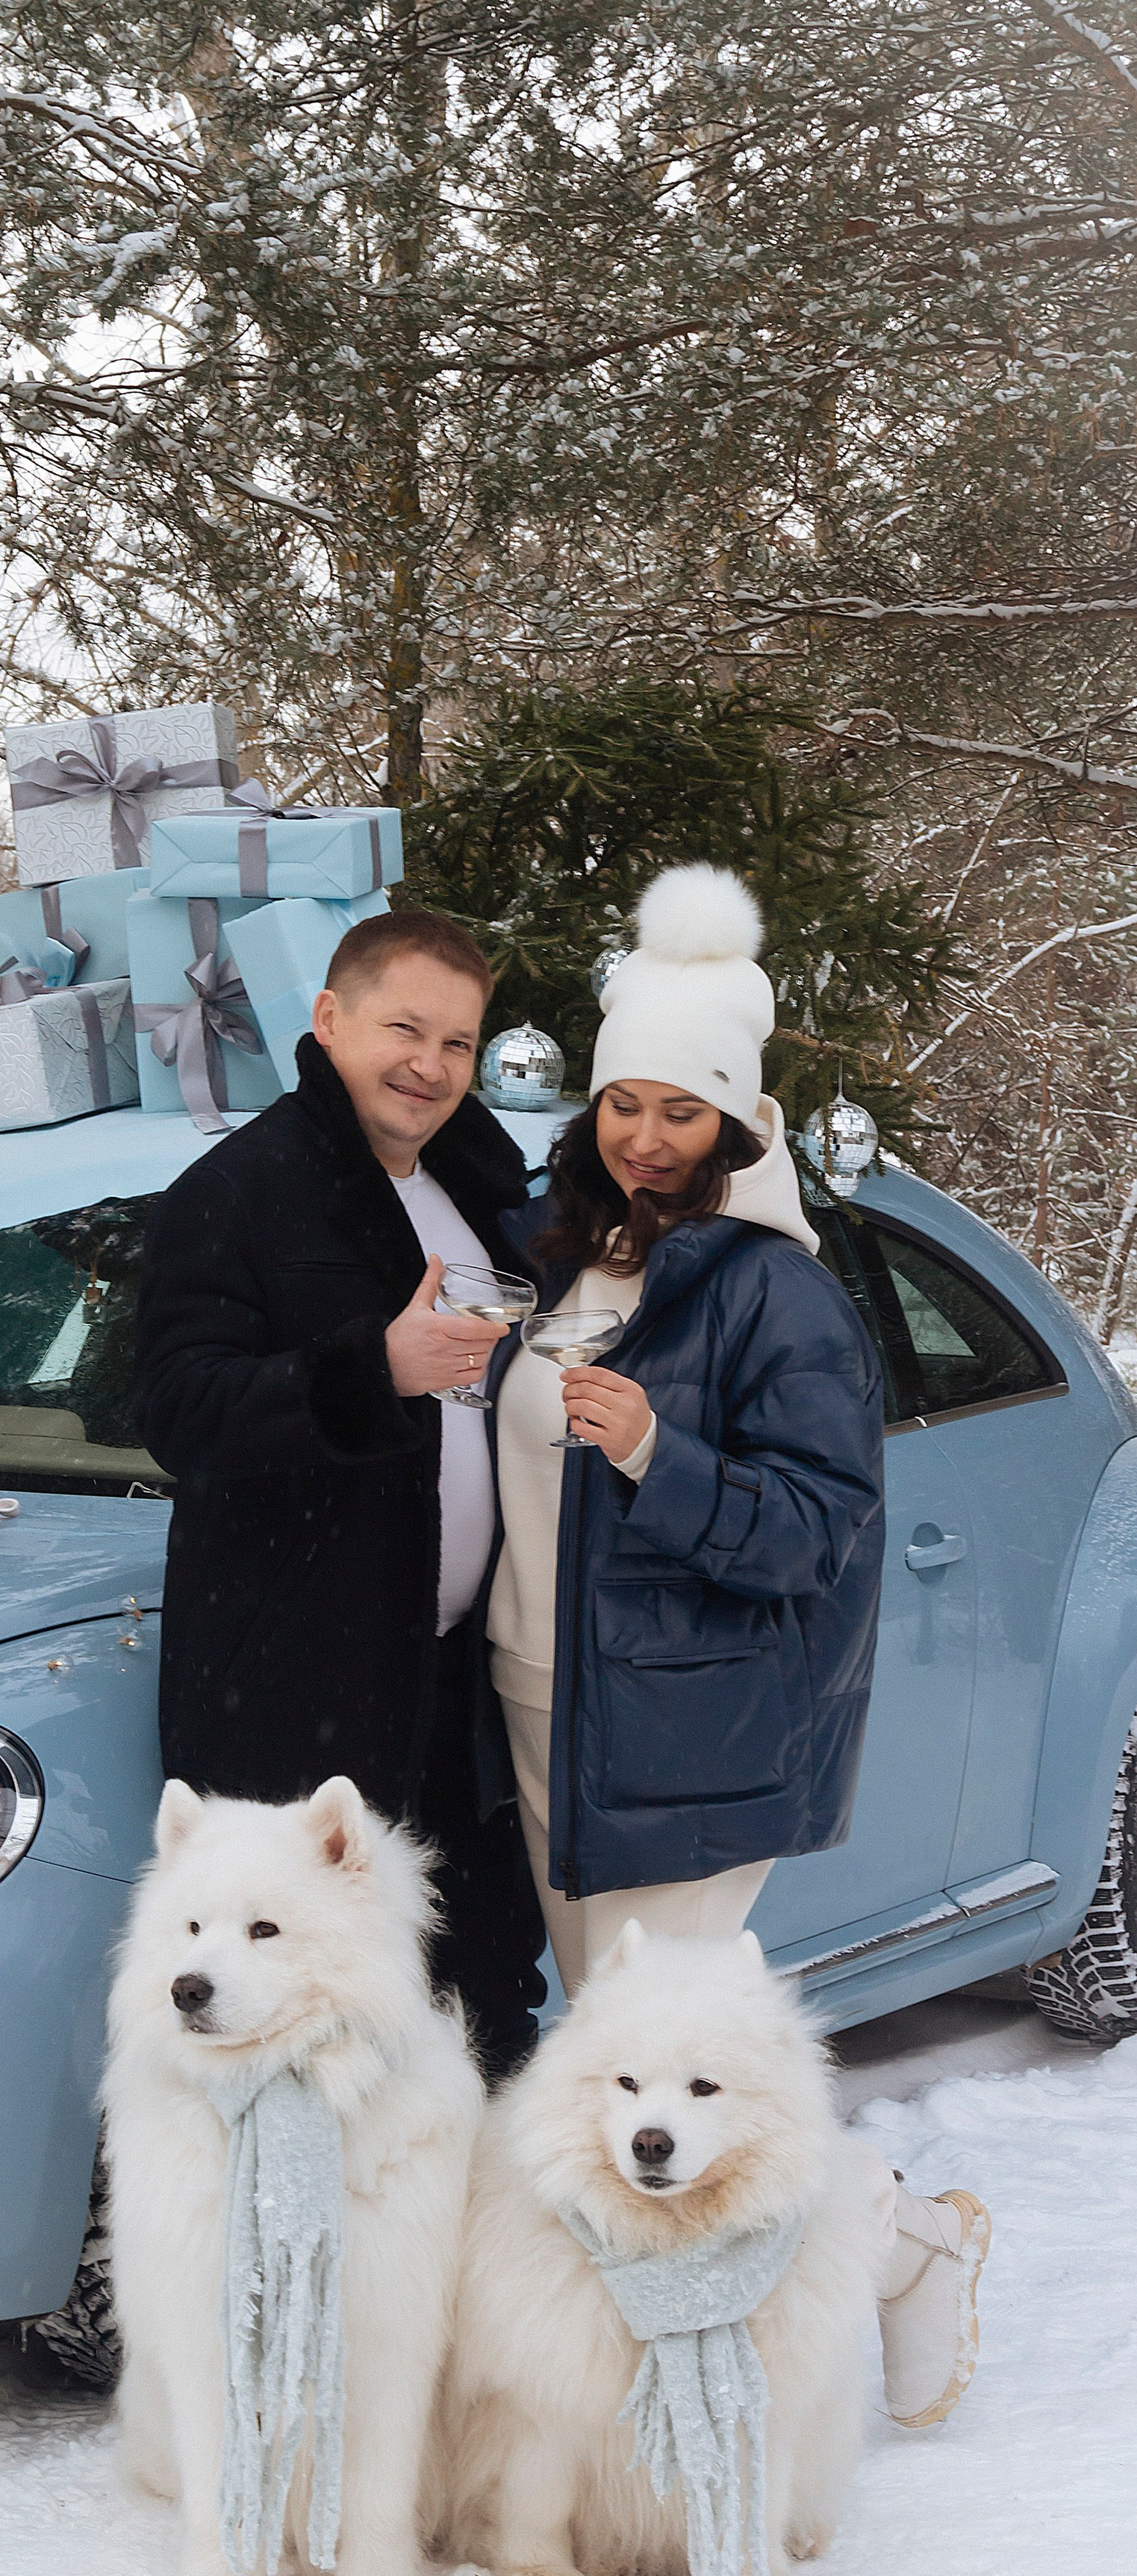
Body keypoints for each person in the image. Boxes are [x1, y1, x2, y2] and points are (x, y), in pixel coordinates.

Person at [479, 859, 988, 2427]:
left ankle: (898, 2256)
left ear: (734, 1121)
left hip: (685, 1732)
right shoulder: (559, 1256)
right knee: (618, 2071)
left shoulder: (774, 1291)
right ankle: (708, 2339)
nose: (644, 1135)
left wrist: (654, 1452)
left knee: (682, 2072)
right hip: (536, 1702)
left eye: (678, 1110)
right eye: (622, 1102)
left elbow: (816, 1527)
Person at [134, 909, 548, 2076]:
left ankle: (461, 2248)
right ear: (329, 1021)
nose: (430, 1066)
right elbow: (177, 1411)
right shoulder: (241, 1193)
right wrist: (375, 1371)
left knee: (477, 1989)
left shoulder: (478, 1186)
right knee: (300, 2025)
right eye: (403, 1029)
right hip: (299, 1688)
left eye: (459, 1044)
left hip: (461, 1674)